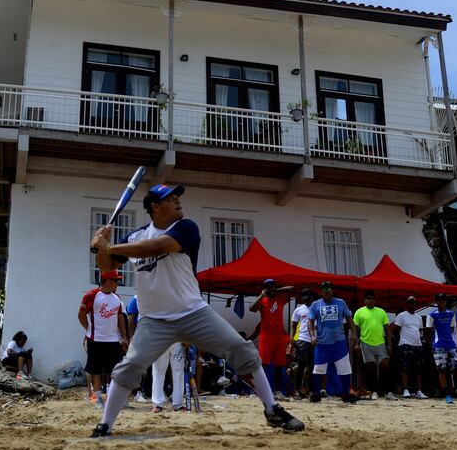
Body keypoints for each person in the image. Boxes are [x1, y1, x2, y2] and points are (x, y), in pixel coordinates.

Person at [89, 183, 304, 436]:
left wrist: (110, 247)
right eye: (170, 198)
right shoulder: (135, 237)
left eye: (177, 197)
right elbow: (106, 266)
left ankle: (272, 409)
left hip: (193, 313)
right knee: (130, 365)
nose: (177, 201)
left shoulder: (186, 228)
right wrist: (101, 246)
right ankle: (105, 425)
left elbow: (158, 247)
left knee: (241, 349)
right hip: (154, 321)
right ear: (155, 207)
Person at [306, 282, 358, 404]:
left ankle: (346, 394)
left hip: (339, 343)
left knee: (344, 369)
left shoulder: (341, 302)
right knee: (318, 370)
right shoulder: (315, 304)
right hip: (322, 344)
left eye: (328, 289)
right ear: (321, 292)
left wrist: (354, 334)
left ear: (332, 290)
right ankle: (316, 394)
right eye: (324, 289)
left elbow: (350, 319)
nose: (326, 291)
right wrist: (312, 336)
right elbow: (310, 322)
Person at [78, 271, 127, 401]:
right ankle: (98, 398)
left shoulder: (116, 298)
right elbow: (81, 315)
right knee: (96, 370)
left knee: (113, 370)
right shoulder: (92, 296)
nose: (117, 284)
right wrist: (89, 329)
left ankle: (112, 397)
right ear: (108, 281)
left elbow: (120, 317)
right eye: (115, 281)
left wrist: (123, 337)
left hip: (113, 340)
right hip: (96, 339)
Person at [249, 279, 292, 399]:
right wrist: (261, 295)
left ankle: (277, 391)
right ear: (264, 289)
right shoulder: (262, 300)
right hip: (266, 336)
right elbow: (251, 308)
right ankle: (261, 390)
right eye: (268, 287)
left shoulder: (280, 298)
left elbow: (291, 288)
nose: (271, 288)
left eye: (273, 286)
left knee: (280, 365)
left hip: (279, 337)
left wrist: (276, 290)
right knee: (263, 364)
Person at [429, 294, 457, 405]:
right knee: (442, 370)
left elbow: (453, 329)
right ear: (436, 301)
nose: (442, 302)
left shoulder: (451, 314)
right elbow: (428, 331)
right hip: (439, 345)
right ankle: (447, 395)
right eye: (439, 300)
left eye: (443, 300)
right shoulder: (432, 315)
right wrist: (432, 345)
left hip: (451, 345)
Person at [352, 291, 390, 400]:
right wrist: (356, 344)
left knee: (384, 364)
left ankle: (385, 390)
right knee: (370, 366)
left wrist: (389, 344)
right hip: (366, 343)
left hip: (380, 343)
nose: (370, 300)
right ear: (364, 301)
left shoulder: (381, 311)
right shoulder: (359, 312)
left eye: (372, 298)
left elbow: (387, 329)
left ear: (375, 300)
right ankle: (374, 390)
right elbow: (355, 330)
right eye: (368, 299)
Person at [390, 296, 428, 399]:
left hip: (418, 345)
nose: (412, 304)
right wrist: (401, 338)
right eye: (410, 302)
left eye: (414, 302)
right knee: (404, 368)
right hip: (405, 344)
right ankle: (405, 390)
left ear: (416, 304)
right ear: (407, 304)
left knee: (418, 369)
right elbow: (395, 329)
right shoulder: (402, 315)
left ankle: (419, 391)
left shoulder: (418, 317)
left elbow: (420, 330)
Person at [290, 290, 315, 398]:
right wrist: (292, 337)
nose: (306, 300)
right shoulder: (299, 309)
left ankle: (311, 390)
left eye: (308, 298)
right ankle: (297, 390)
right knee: (301, 366)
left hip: (315, 341)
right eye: (304, 298)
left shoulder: (317, 307)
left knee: (313, 367)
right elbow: (293, 325)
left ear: (312, 297)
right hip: (302, 339)